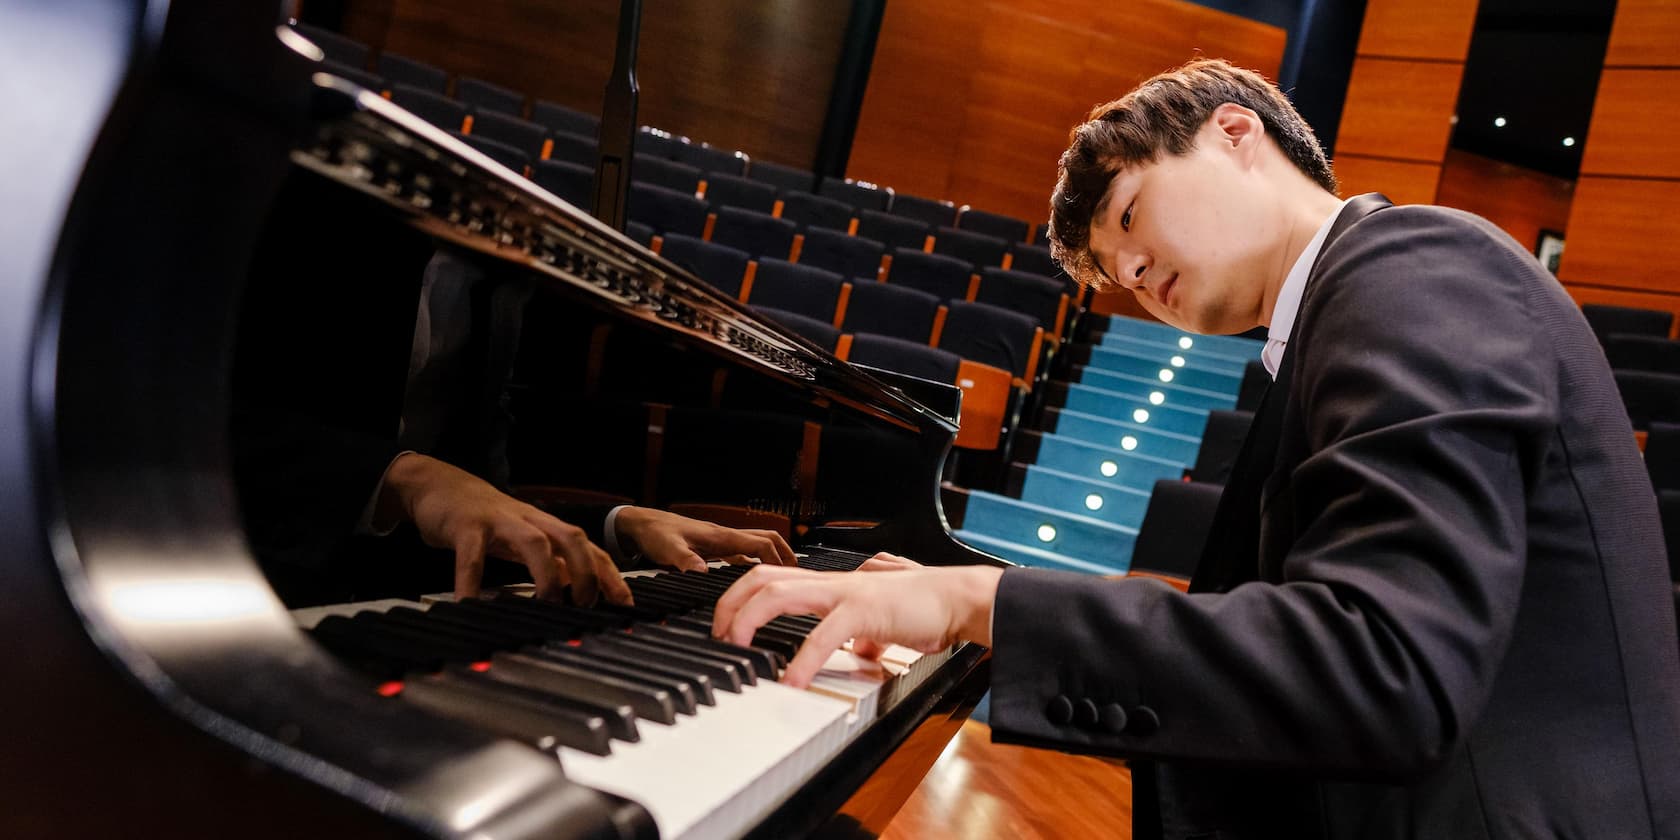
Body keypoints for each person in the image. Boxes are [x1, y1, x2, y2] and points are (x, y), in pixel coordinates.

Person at [711, 59, 1680, 839]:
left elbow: (1385, 662)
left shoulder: (1414, 269)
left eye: (1129, 216)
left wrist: (977, 602)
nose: (1131, 273)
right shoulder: (1339, 321)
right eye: (1111, 275)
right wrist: (973, 606)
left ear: (1234, 132)